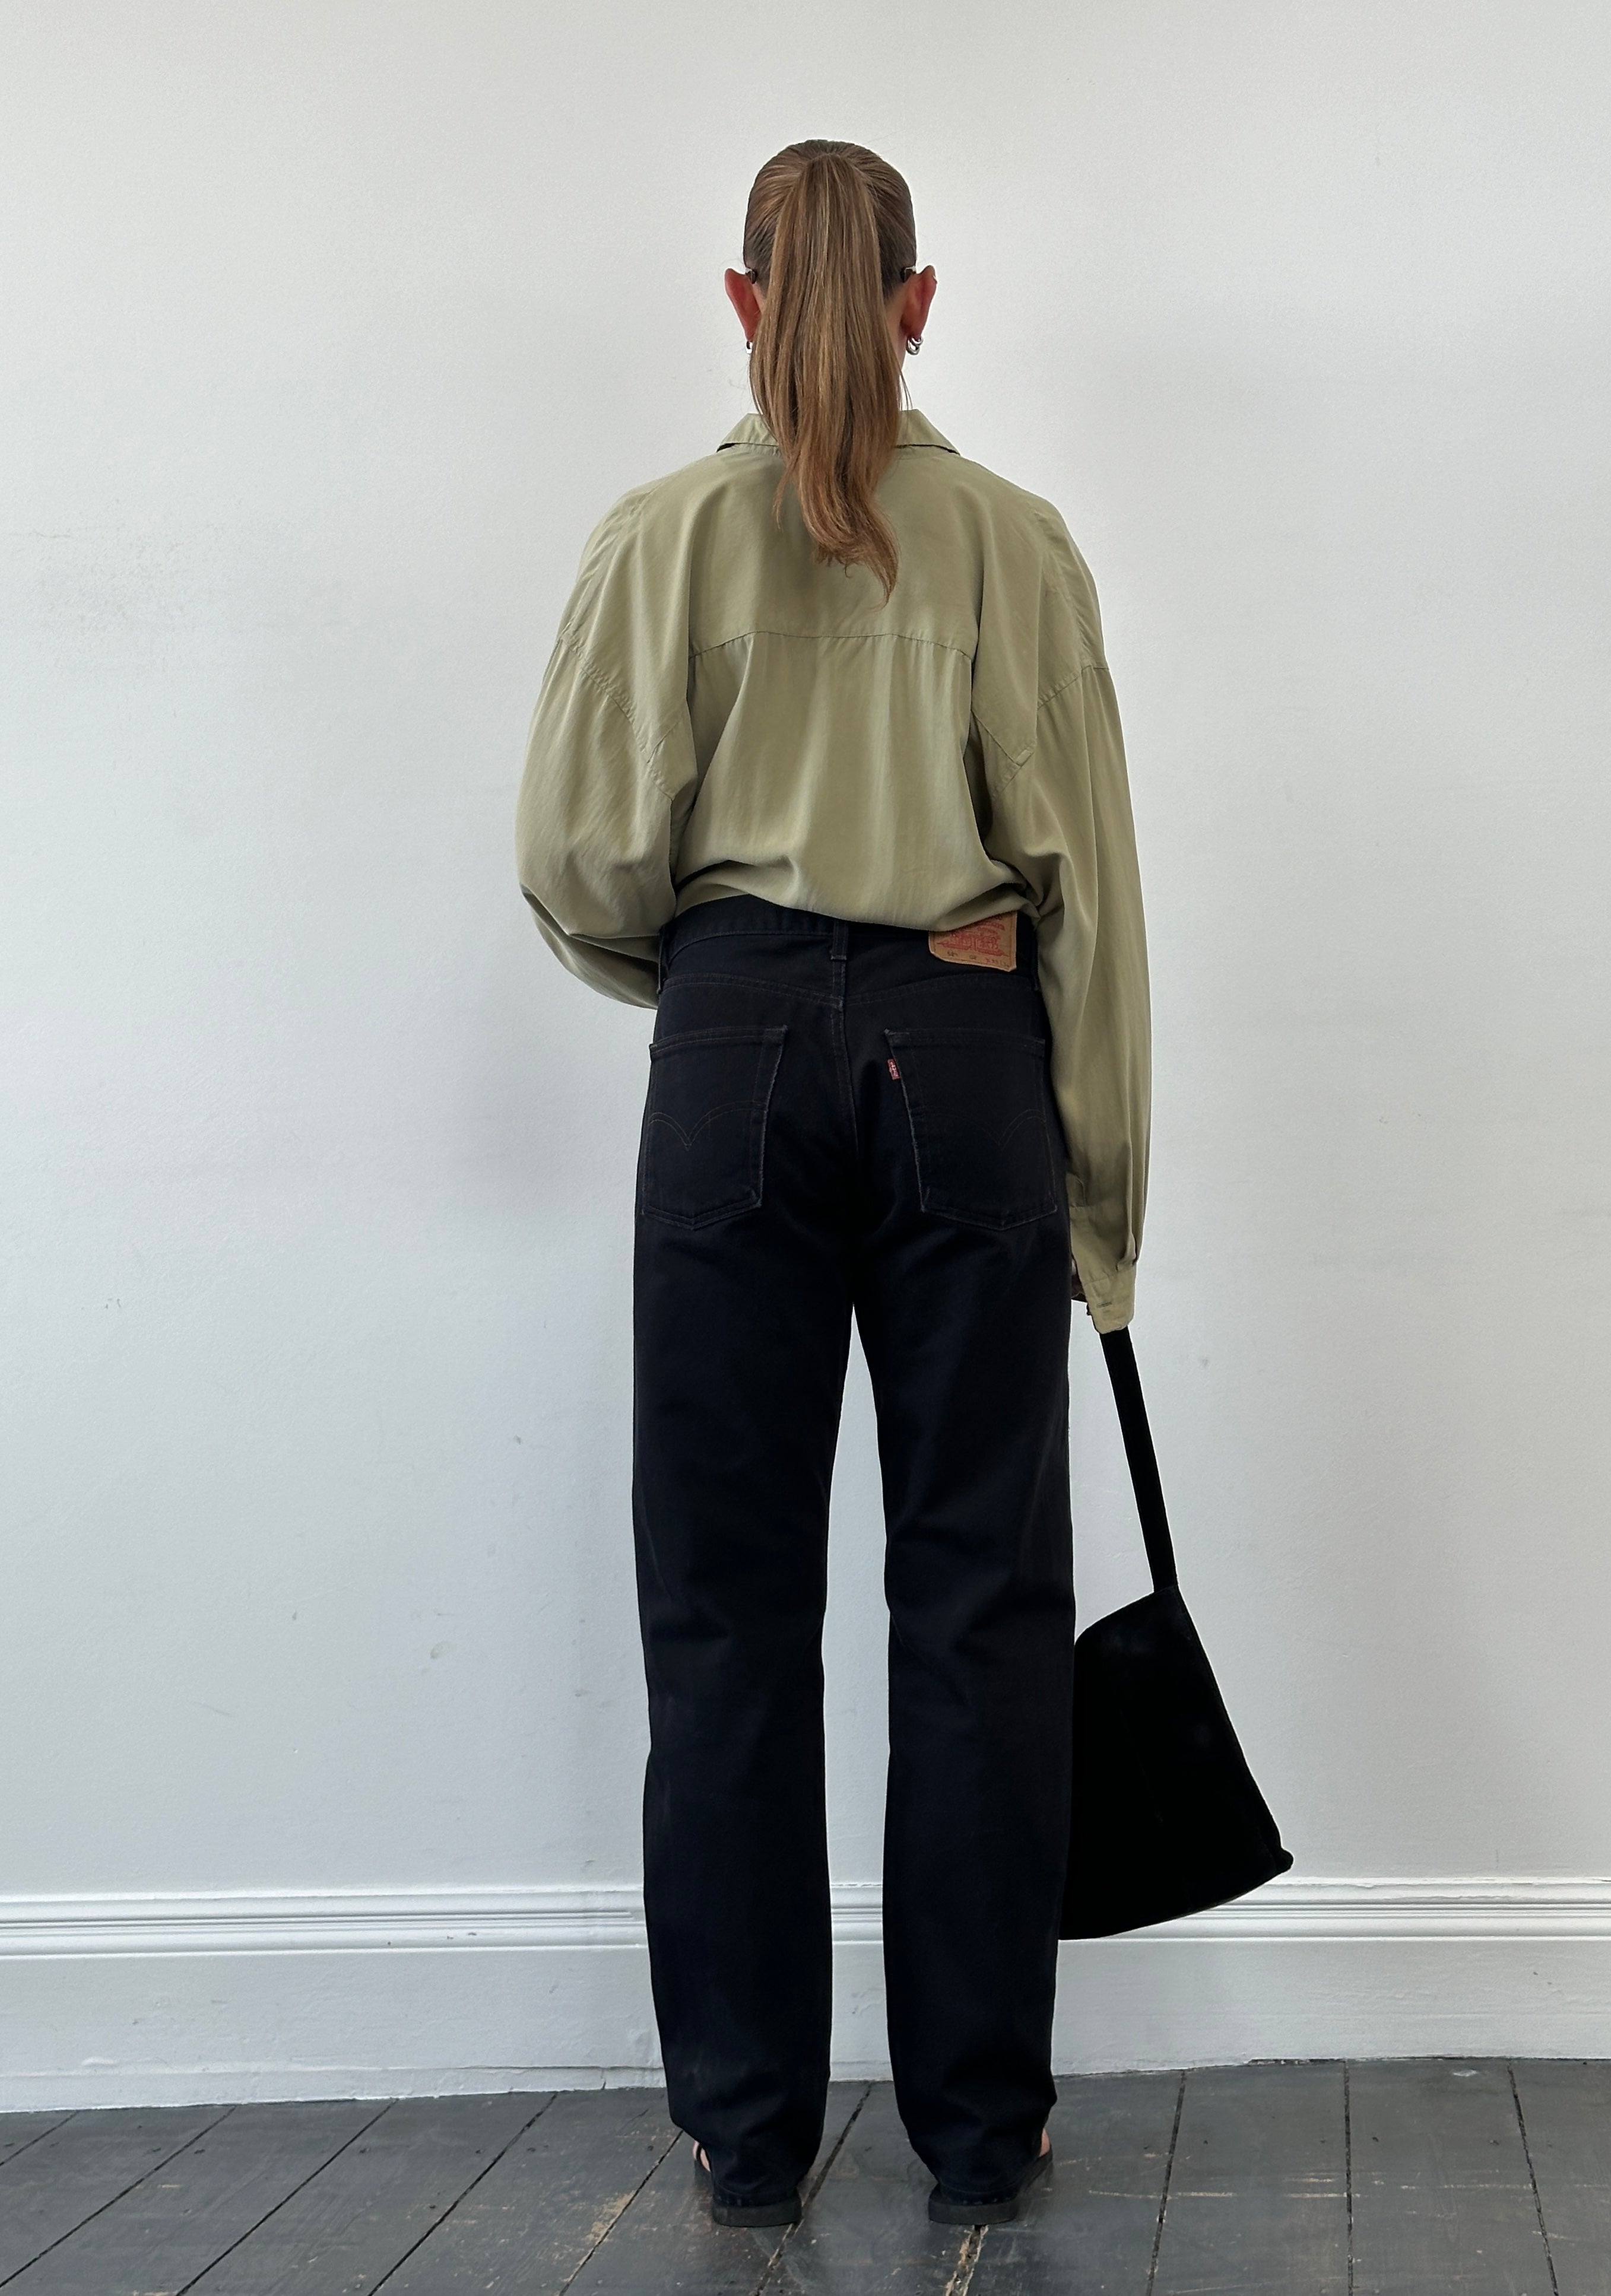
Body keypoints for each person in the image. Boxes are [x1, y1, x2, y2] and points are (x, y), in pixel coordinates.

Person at [514, 138, 1150, 2232]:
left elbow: (576, 867)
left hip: (730, 1056)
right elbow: (1085, 901)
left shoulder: (658, 537)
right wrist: (1103, 1206)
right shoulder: (1014, 543)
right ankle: (978, 2131)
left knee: (723, 1609)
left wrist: (728, 984)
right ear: (918, 302)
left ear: (739, 298)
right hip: (963, 1050)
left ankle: (745, 2134)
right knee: (978, 1603)